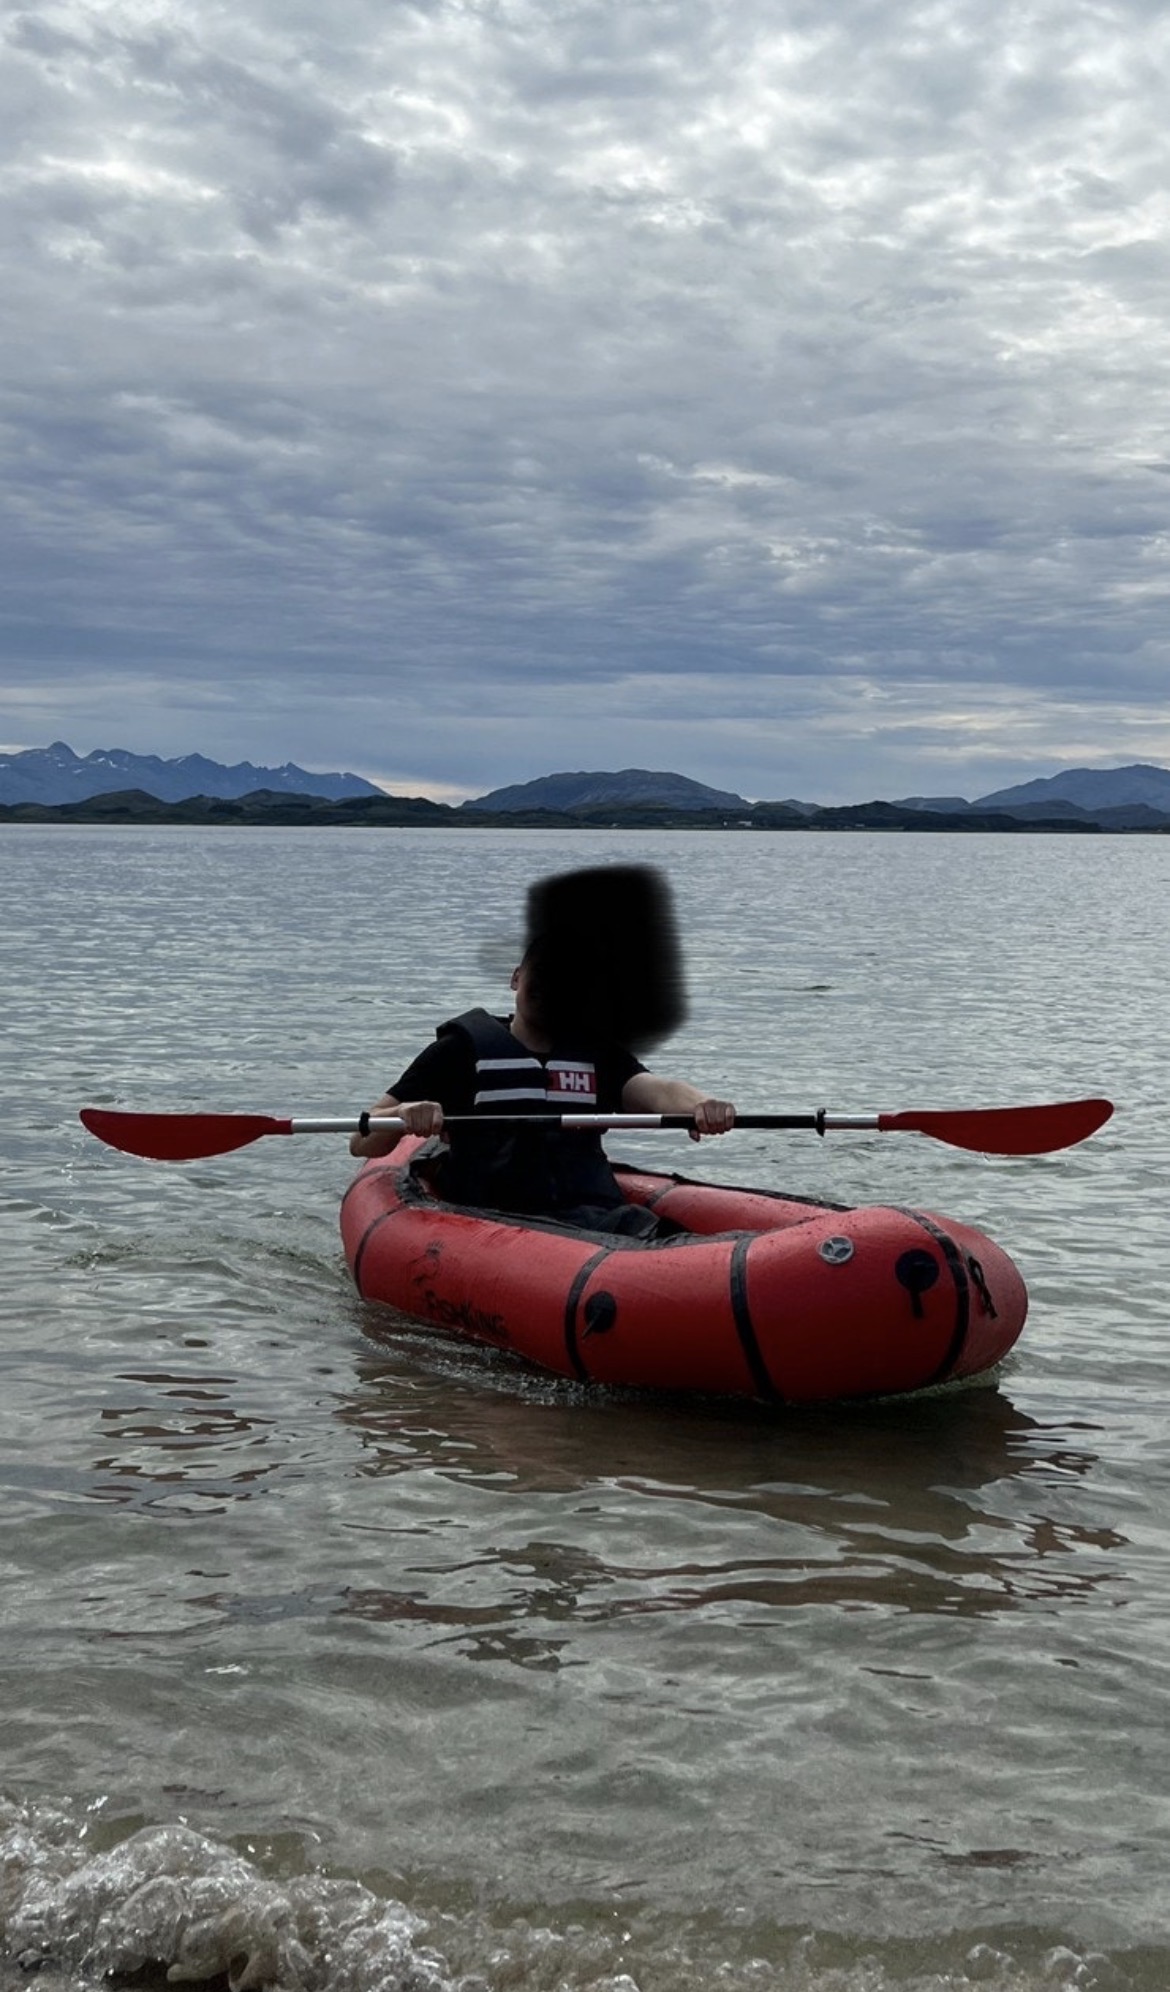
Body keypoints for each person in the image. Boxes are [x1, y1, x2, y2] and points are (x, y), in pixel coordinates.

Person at [349, 942, 736, 1235]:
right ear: (517, 977)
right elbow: (361, 1141)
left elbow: (657, 1090)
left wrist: (701, 1105)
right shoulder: (458, 1052)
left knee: (664, 1235)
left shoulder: (596, 1053)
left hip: (592, 1215)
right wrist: (401, 1117)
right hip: (493, 1219)